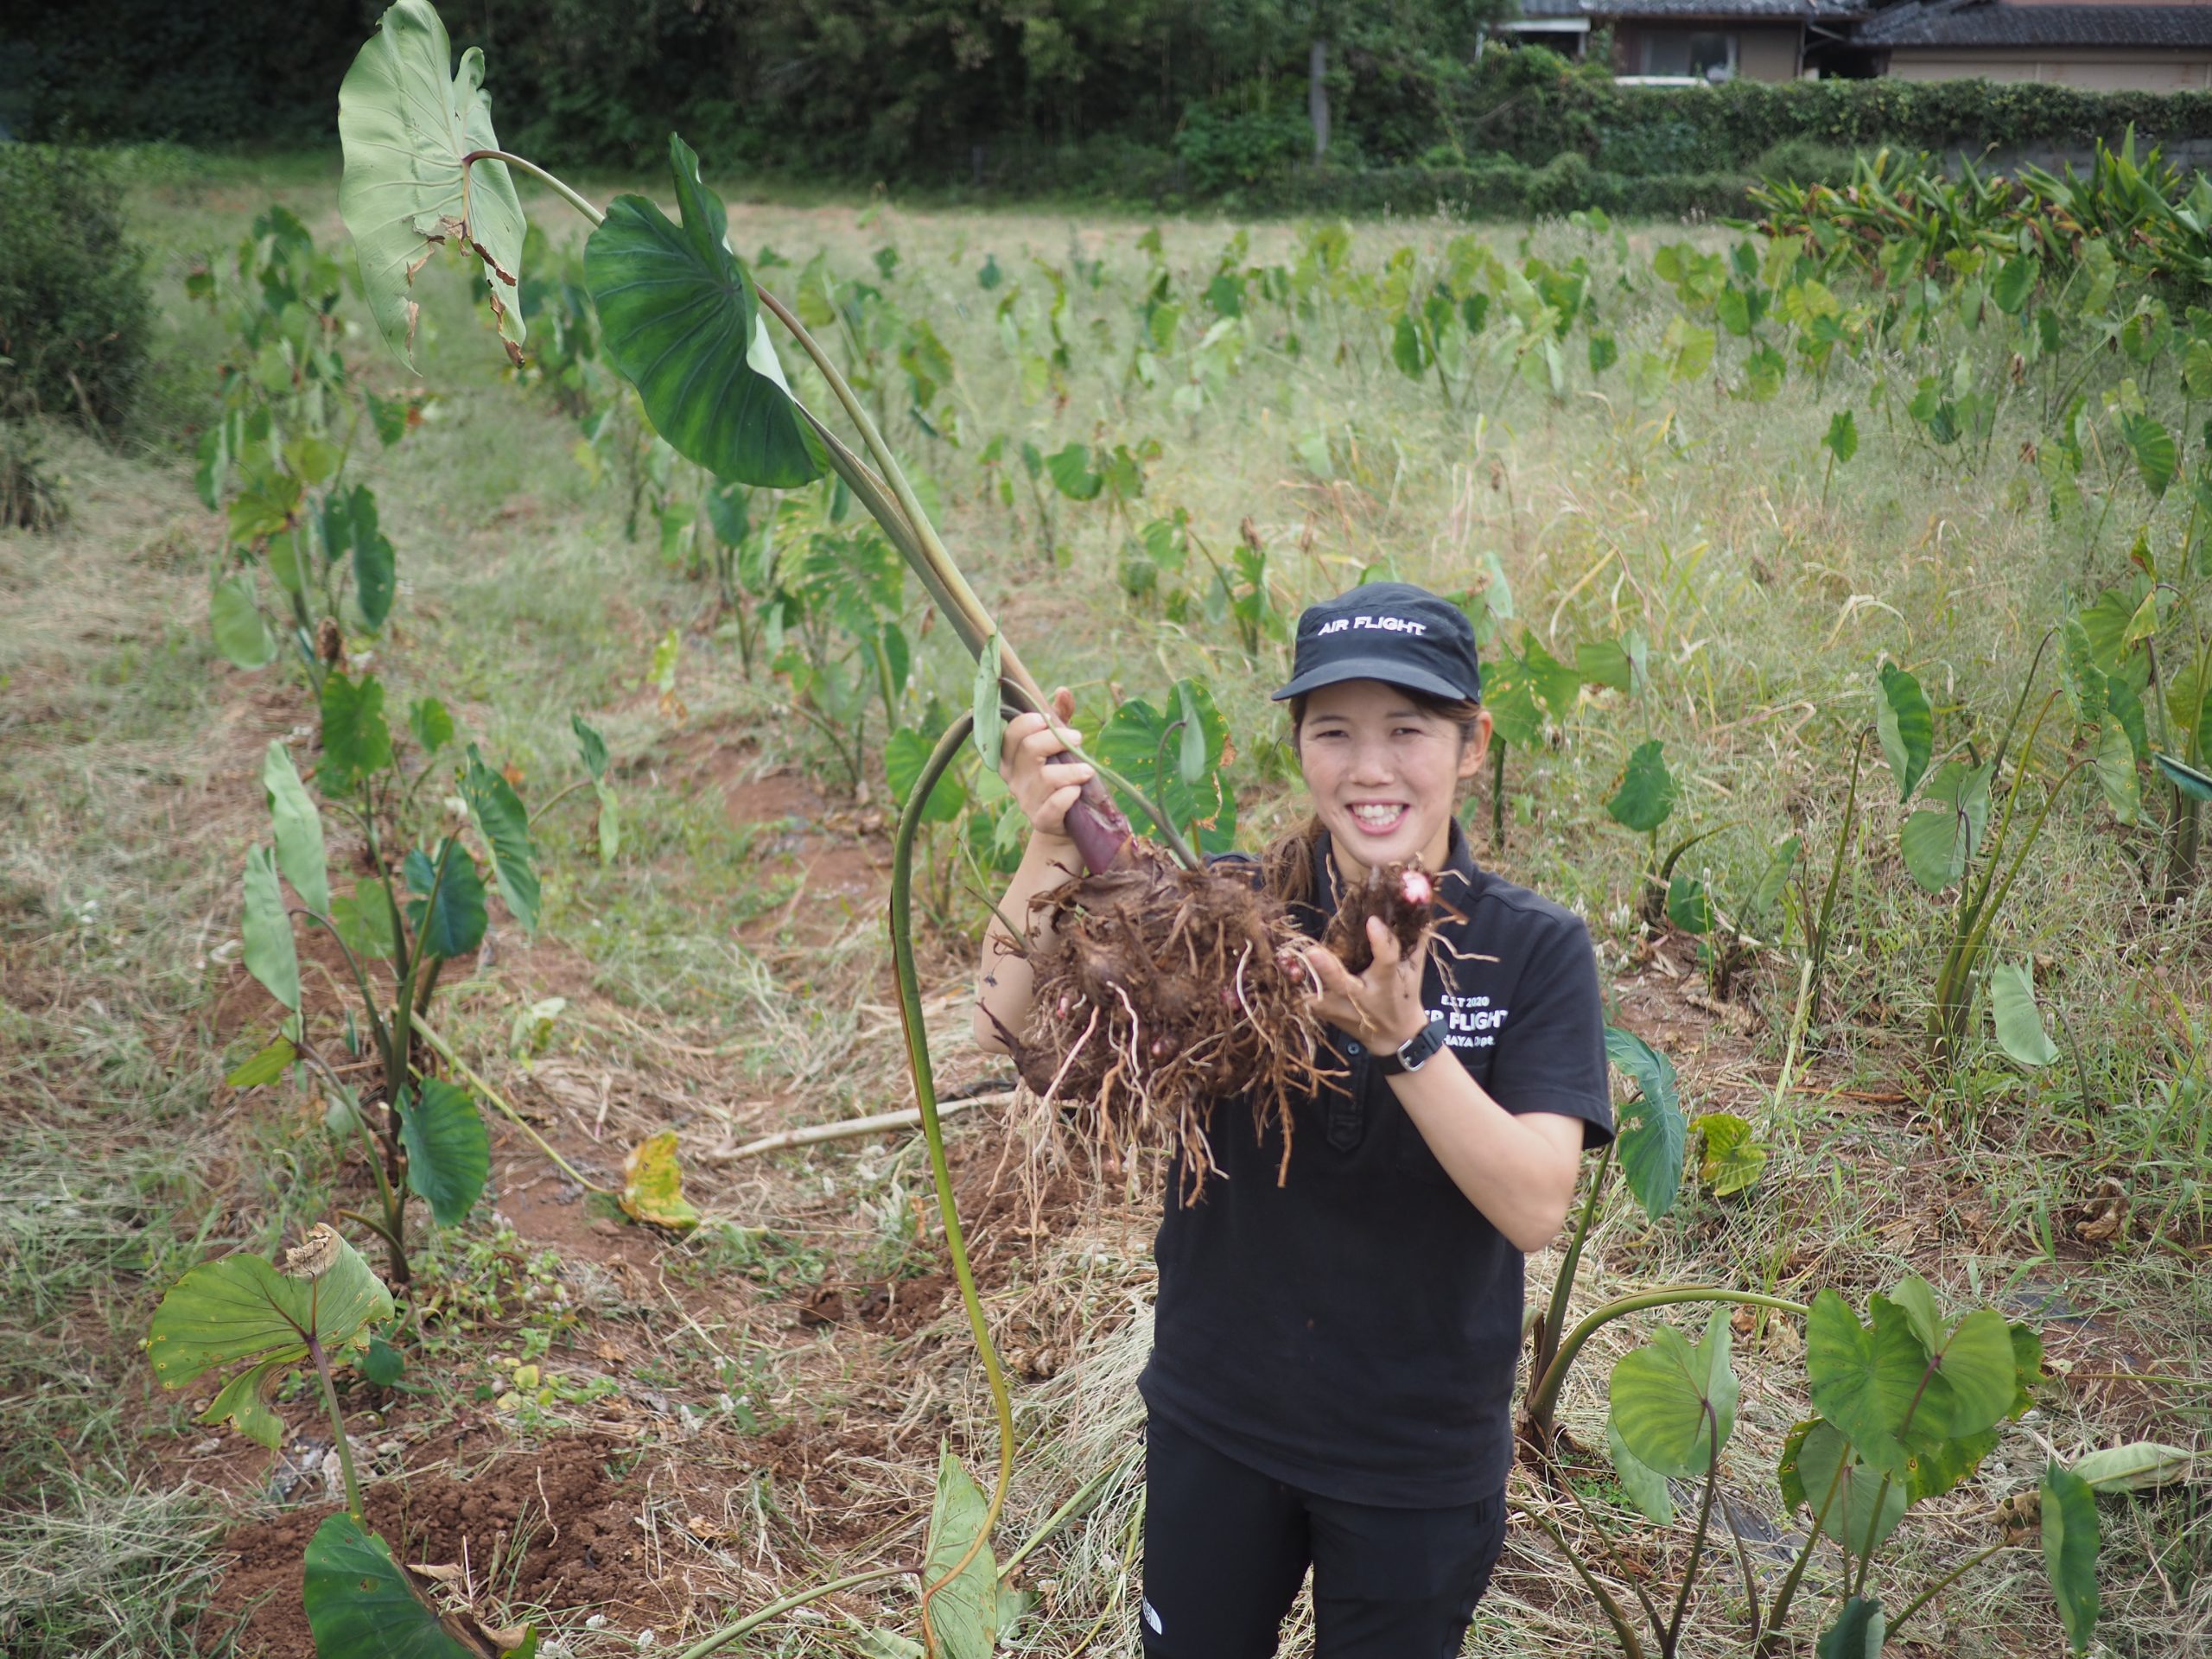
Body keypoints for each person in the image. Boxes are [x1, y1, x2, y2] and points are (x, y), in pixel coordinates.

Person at [973, 582, 1615, 1659]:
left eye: (1408, 731)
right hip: (1218, 1418)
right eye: (1335, 732)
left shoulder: (1534, 949)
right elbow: (1003, 1032)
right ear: (1299, 746)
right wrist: (1048, 842)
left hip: (1416, 1458)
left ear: (1471, 744)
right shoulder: (1227, 911)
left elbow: (1535, 1202)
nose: (1370, 768)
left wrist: (1401, 1042)